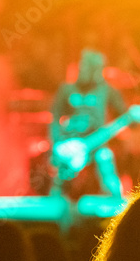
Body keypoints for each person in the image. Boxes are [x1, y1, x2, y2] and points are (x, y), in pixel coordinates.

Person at [50, 48, 131, 198]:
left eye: (87, 67)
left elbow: (125, 114)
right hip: (70, 144)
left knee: (105, 159)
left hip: (96, 144)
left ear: (96, 71)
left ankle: (115, 204)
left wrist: (135, 116)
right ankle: (56, 204)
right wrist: (56, 144)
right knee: (61, 180)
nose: (82, 70)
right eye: (82, 66)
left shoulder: (106, 90)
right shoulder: (66, 89)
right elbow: (54, 119)